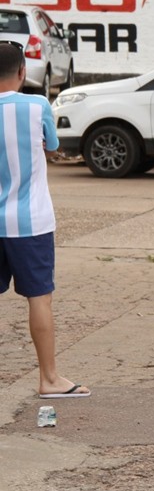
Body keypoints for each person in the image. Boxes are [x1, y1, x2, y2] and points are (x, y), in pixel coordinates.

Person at [0, 42, 90, 399]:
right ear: (23, 72)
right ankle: (49, 379)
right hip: (30, 223)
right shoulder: (37, 106)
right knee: (39, 298)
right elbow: (52, 146)